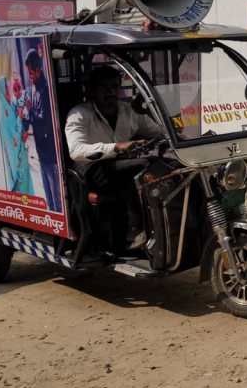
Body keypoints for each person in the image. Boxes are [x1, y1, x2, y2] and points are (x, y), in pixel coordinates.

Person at [65, 64, 166, 247]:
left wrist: (177, 137)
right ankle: (135, 229)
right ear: (92, 91)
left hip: (121, 165)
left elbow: (158, 132)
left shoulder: (129, 110)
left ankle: (162, 224)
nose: (110, 92)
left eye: (114, 87)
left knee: (164, 165)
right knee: (142, 165)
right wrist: (117, 147)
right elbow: (76, 150)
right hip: (91, 170)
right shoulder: (79, 114)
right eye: (104, 87)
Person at [19, 49, 63, 212]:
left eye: (31, 72)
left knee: (56, 197)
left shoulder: (46, 90)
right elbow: (29, 117)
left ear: (38, 69)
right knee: (48, 197)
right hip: (40, 152)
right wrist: (24, 117)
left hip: (51, 153)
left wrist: (30, 112)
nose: (30, 75)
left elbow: (45, 121)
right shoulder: (31, 90)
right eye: (28, 72)